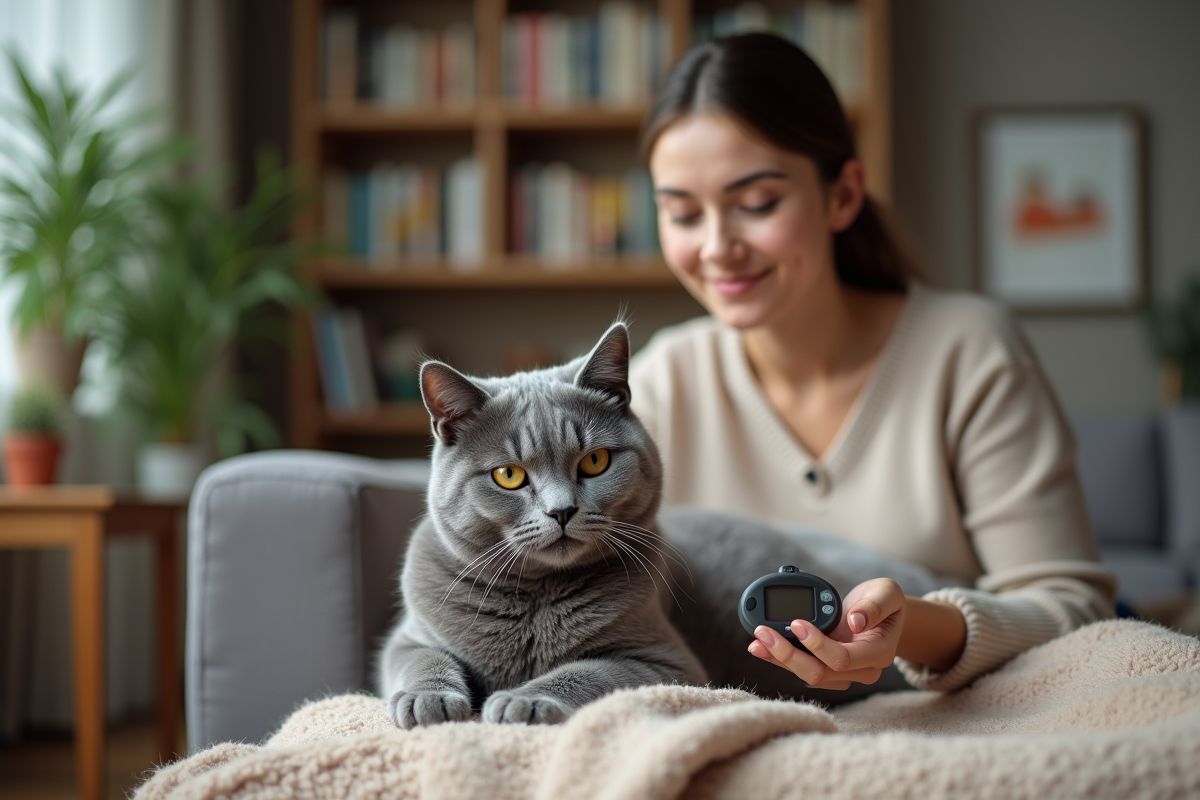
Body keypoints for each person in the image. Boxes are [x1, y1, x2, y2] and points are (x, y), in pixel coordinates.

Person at [630, 33, 1116, 693]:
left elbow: (1073, 607)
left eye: (757, 204)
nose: (717, 247)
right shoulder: (662, 381)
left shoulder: (967, 350)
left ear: (843, 195)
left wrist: (911, 629)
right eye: (682, 213)